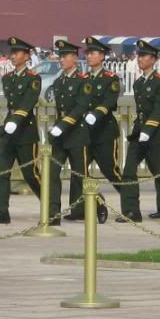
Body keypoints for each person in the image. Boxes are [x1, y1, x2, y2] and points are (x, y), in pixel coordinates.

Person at [123, 40, 160, 221]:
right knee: (128, 171)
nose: (139, 59)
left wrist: (148, 130)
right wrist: (140, 130)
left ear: (153, 59)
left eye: (143, 56)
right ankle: (132, 211)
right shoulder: (139, 83)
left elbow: (159, 109)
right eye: (138, 55)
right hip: (139, 133)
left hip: (155, 134)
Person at [0, 37, 43, 224]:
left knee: (31, 175)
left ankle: (52, 208)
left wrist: (16, 119)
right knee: (0, 173)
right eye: (11, 53)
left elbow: (28, 103)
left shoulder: (33, 78)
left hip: (25, 131)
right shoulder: (7, 79)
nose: (13, 56)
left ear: (26, 56)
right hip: (9, 131)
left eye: (17, 53)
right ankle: (1, 212)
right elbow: (12, 104)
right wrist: (9, 123)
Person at [79, 36, 134, 222]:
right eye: (87, 53)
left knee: (111, 171)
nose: (89, 56)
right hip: (85, 133)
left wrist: (96, 112)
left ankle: (130, 207)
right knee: (81, 172)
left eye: (93, 53)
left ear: (102, 56)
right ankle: (97, 203)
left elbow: (110, 100)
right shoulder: (83, 78)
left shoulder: (110, 78)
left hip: (104, 132)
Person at [47, 40, 92, 225]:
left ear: (74, 58)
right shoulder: (58, 82)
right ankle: (53, 212)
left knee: (79, 175)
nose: (61, 60)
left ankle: (81, 209)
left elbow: (80, 108)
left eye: (65, 56)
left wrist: (62, 125)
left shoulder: (83, 81)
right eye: (61, 56)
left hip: (77, 133)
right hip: (61, 135)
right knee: (52, 172)